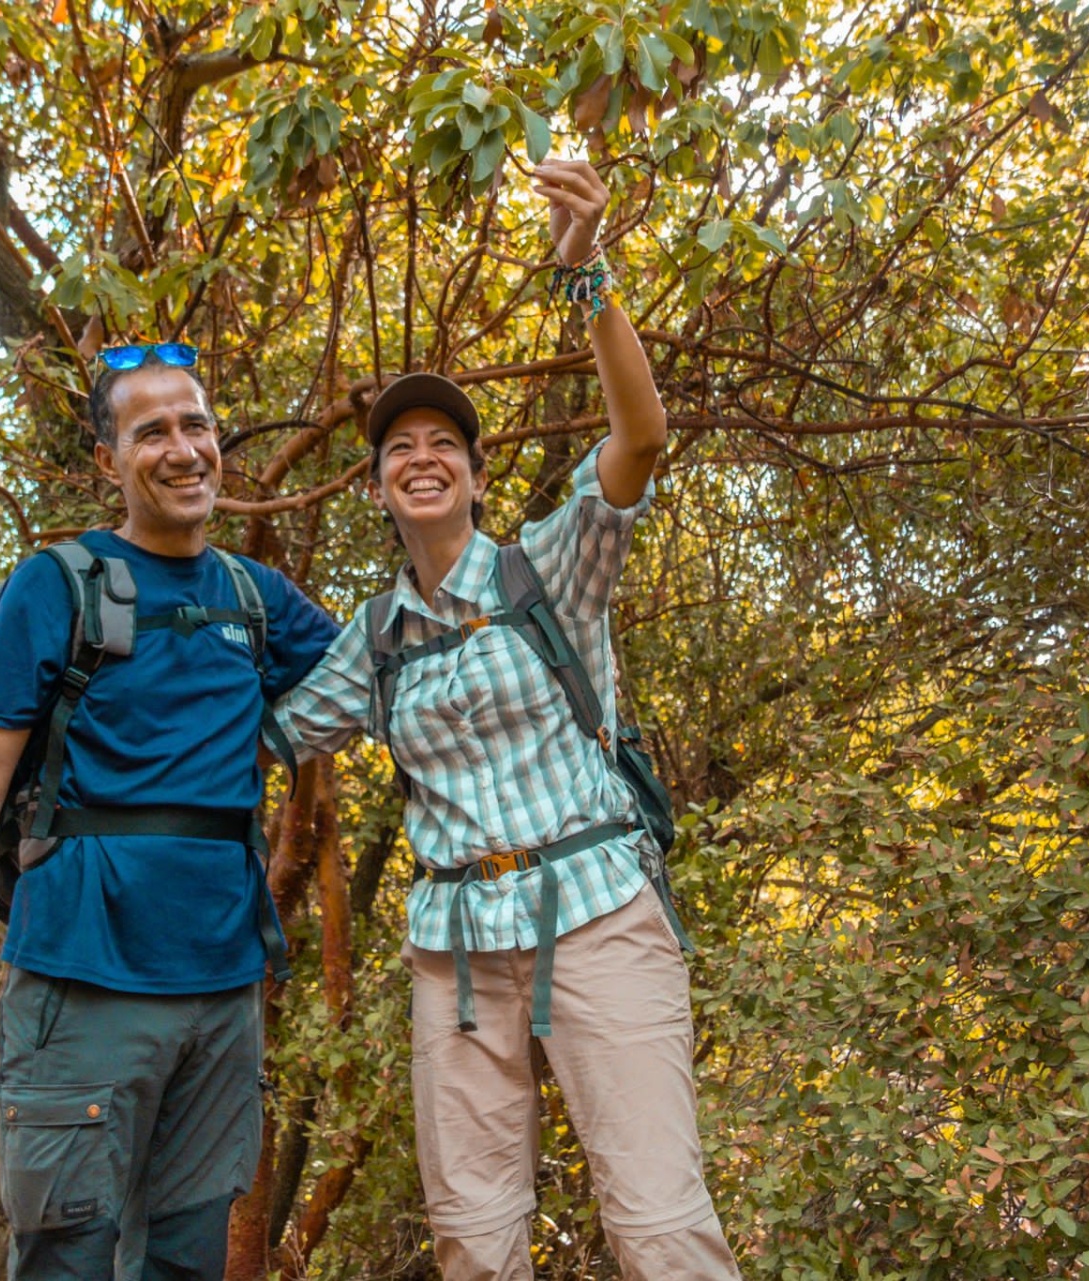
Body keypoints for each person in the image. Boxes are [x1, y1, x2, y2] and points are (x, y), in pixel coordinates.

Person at [267, 161, 742, 1280]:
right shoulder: (374, 640)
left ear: (476, 476)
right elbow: (274, 733)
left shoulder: (550, 571)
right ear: (379, 488)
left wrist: (586, 275)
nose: (419, 458)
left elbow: (642, 435)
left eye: (442, 446)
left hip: (596, 913)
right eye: (398, 450)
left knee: (658, 1224)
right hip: (453, 952)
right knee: (473, 1239)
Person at [0, 343, 341, 1280]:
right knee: (68, 1255)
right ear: (110, 461)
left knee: (186, 1260)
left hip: (223, 993)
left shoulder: (253, 596)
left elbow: (379, 681)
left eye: (197, 425)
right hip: (82, 981)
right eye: (152, 431)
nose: (183, 449)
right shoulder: (56, 583)